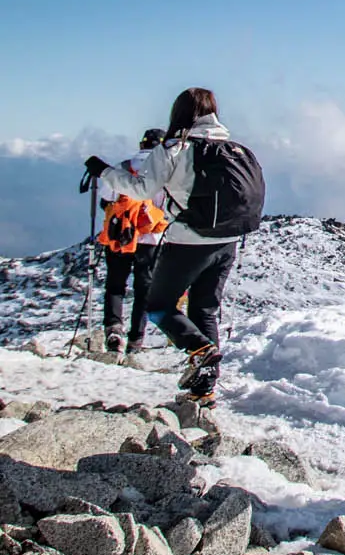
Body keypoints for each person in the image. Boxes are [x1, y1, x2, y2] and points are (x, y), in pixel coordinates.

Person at [84, 88, 265, 403]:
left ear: (179, 113)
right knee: (204, 308)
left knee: (158, 306)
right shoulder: (235, 148)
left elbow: (141, 190)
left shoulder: (173, 150)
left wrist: (105, 172)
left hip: (187, 240)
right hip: (228, 241)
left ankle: (201, 351)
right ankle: (204, 388)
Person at [98, 127, 169, 355]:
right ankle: (136, 340)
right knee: (143, 290)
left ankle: (113, 328)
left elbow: (106, 199)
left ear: (141, 144)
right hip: (151, 238)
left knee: (115, 285)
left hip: (121, 237)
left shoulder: (121, 168)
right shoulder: (165, 171)